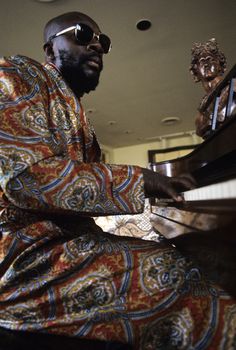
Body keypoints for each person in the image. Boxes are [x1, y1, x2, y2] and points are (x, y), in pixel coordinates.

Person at [0, 12, 235, 350]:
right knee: (177, 280)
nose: (97, 44)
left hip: (66, 248)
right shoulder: (17, 74)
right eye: (83, 34)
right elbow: (27, 179)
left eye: (103, 41)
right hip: (24, 262)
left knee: (176, 259)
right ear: (50, 50)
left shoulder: (79, 118)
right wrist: (141, 179)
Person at [189, 38, 231, 138]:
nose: (206, 64)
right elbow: (199, 130)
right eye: (202, 61)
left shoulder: (232, 87)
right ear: (195, 72)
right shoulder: (203, 105)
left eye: (210, 59)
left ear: (221, 66)